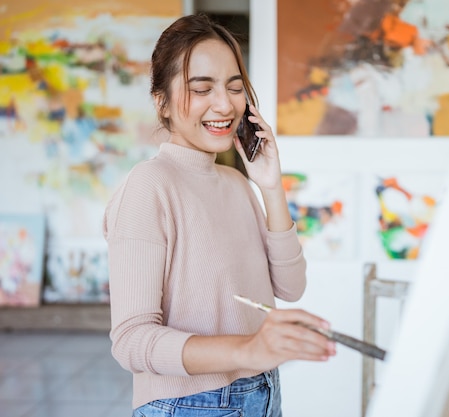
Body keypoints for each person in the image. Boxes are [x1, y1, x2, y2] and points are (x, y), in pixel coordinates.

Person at [102, 13, 336, 416]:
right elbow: (131, 341)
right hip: (188, 404)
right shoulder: (147, 187)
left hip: (263, 390)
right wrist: (250, 347)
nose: (225, 104)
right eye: (202, 88)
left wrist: (270, 185)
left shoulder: (237, 184)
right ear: (162, 102)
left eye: (234, 87)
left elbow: (291, 286)